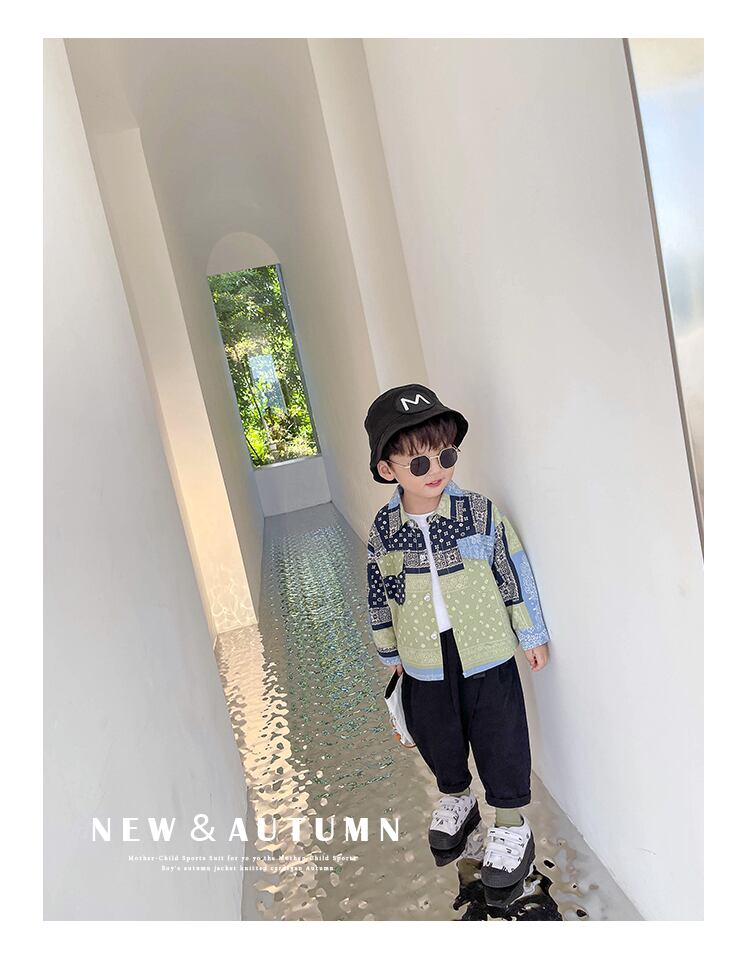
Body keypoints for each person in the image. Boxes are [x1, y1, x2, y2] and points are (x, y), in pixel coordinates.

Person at [364, 383, 550, 889]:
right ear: (388, 469)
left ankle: (510, 823)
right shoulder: (384, 530)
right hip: (423, 656)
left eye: (446, 455)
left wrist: (530, 632)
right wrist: (389, 650)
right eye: (420, 463)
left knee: (500, 735)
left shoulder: (479, 513)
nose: (437, 470)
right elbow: (379, 591)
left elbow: (510, 568)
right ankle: (457, 797)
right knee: (437, 733)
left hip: (486, 650)